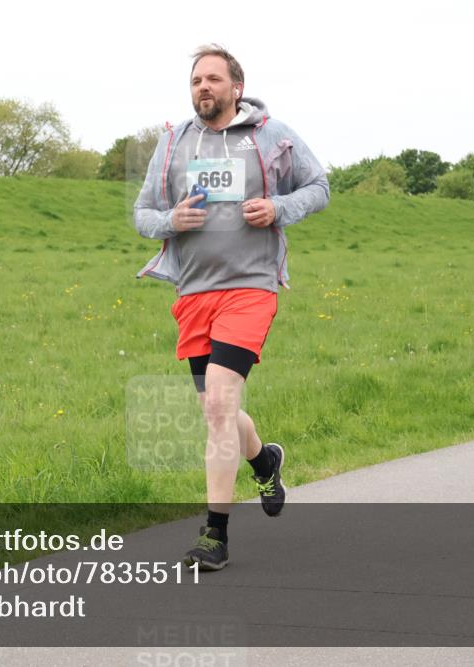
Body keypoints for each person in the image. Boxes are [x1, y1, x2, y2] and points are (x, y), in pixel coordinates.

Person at [133, 44, 329, 570]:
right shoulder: (173, 141)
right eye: (197, 79)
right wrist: (171, 221)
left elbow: (320, 186)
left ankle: (214, 535)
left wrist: (279, 208)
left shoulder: (271, 134)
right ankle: (264, 460)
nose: (204, 87)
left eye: (214, 79)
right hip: (194, 292)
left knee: (219, 404)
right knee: (215, 410)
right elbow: (142, 214)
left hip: (251, 287)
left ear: (236, 87)